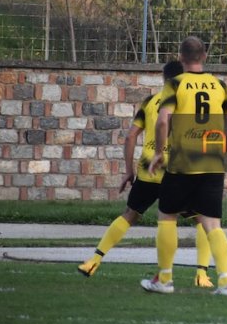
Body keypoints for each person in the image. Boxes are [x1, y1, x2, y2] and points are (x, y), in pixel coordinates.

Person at [78, 60, 214, 288]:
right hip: (178, 172)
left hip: (149, 171)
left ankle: (93, 260)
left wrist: (129, 171)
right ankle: (201, 274)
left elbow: (130, 137)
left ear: (163, 78)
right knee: (202, 219)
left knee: (130, 214)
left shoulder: (150, 102)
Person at [141, 36, 227, 297]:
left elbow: (163, 122)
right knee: (212, 223)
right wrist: (224, 148)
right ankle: (226, 282)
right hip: (212, 162)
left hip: (182, 163)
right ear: (204, 56)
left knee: (167, 217)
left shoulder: (175, 84)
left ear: (181, 58)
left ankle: (164, 280)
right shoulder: (220, 85)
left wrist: (160, 152)